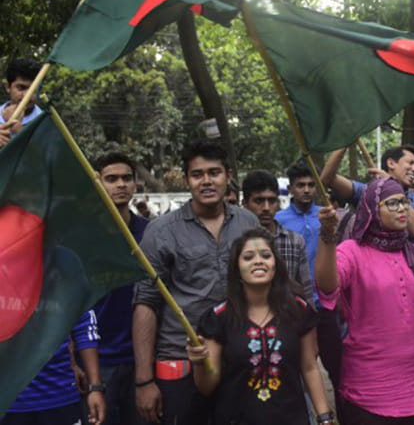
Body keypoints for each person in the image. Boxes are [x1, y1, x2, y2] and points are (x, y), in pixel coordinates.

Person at [133, 142, 259, 425]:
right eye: (197, 174)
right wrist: (144, 381)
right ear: (187, 179)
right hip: (180, 359)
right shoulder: (161, 232)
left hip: (240, 355)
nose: (206, 181)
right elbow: (145, 304)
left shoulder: (248, 223)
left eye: (214, 172)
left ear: (228, 176)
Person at [315, 177, 414, 423]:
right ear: (373, 209)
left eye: (405, 202)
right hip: (371, 390)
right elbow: (327, 285)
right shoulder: (351, 251)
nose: (403, 208)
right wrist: (327, 236)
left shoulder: (412, 252)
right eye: (392, 203)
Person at [186, 229, 334, 425]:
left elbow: (309, 368)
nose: (258, 261)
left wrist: (324, 418)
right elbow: (207, 386)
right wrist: (199, 363)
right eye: (248, 257)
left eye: (266, 255)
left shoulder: (299, 310)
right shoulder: (218, 317)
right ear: (236, 268)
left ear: (276, 265)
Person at [275, 160, 343, 395]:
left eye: (311, 185)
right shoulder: (278, 221)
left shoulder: (327, 217)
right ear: (291, 188)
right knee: (297, 366)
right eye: (300, 185)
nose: (306, 190)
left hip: (325, 303)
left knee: (338, 366)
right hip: (294, 305)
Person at [92, 152, 149, 425]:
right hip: (97, 362)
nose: (120, 185)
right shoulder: (82, 236)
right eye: (111, 179)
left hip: (143, 361)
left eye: (127, 178)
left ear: (136, 184)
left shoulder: (152, 233)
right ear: (98, 183)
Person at [1, 312, 106, 425]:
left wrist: (95, 388)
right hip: (8, 399)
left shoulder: (66, 293)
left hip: (59, 392)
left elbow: (84, 325)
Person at [320, 145, 414, 240]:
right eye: (411, 163)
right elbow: (328, 179)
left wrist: (392, 186)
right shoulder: (368, 192)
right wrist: (344, 143)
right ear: (391, 163)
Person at [242, 169, 313, 301]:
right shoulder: (237, 242)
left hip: (287, 315)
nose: (266, 208)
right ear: (245, 204)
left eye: (272, 200)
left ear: (278, 203)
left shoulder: (294, 241)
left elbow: (306, 289)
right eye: (259, 201)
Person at [0, 58, 41, 146]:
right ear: (8, 87)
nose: (27, 95)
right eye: (21, 88)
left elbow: (45, 157)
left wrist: (19, 131)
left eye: (33, 89)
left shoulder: (44, 122)